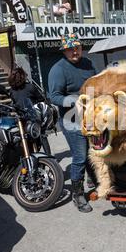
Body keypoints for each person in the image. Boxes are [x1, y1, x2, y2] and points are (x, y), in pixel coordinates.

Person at [48, 33, 96, 213]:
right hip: (70, 118)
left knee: (94, 151)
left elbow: (96, 83)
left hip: (91, 116)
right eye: (70, 49)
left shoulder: (88, 63)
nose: (75, 51)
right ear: (64, 51)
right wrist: (73, 101)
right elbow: (53, 96)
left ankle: (94, 180)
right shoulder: (58, 69)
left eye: (77, 47)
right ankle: (78, 195)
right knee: (80, 156)